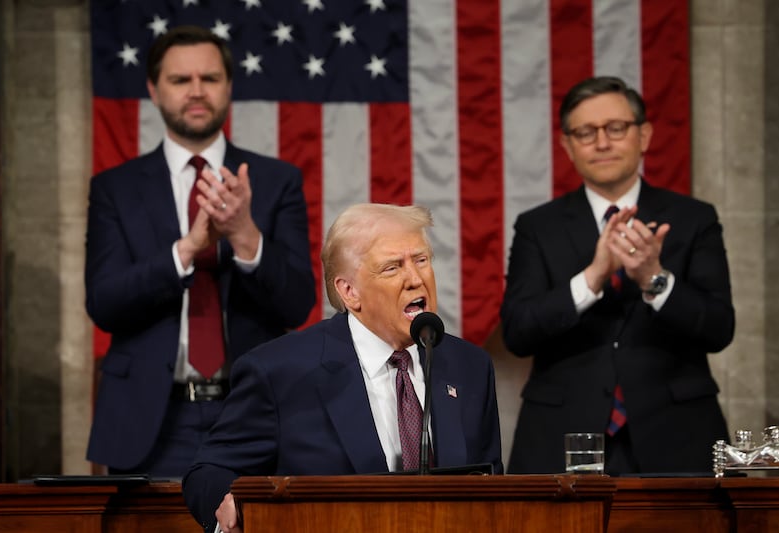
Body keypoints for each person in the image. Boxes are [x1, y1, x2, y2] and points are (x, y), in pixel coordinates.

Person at [182, 203, 503, 533]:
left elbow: (492, 488)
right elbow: (208, 472)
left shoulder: (469, 367)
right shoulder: (279, 372)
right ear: (350, 292)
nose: (415, 278)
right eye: (393, 268)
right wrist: (229, 503)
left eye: (421, 260)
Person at [85, 25, 315, 477]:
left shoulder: (274, 181)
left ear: (229, 86)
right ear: (153, 89)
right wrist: (187, 249)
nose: (196, 91)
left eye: (209, 79)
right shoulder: (115, 188)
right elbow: (105, 304)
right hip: (151, 422)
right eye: (180, 80)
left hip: (254, 413)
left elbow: (298, 304)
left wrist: (245, 235)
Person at [501, 76, 734, 476]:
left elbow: (719, 329)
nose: (602, 143)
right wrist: (591, 278)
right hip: (562, 437)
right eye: (586, 132)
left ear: (643, 135)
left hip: (677, 438)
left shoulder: (694, 218)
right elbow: (518, 333)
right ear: (567, 145)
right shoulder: (538, 227)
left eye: (615, 128)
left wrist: (653, 279)